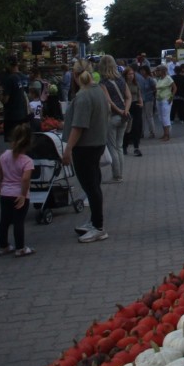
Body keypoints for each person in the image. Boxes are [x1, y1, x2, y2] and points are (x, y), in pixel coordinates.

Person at [61, 58, 110, 243]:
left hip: (85, 147)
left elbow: (79, 126)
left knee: (91, 187)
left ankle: (98, 227)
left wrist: (68, 149)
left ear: (74, 75)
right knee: (94, 185)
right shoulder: (98, 91)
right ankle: (95, 222)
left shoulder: (84, 95)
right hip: (97, 144)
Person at [0, 122, 35, 257]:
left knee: (4, 220)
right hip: (19, 194)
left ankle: (3, 246)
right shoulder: (27, 161)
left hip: (5, 193)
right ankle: (20, 248)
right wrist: (23, 194)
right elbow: (25, 179)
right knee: (18, 221)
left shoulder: (5, 154)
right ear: (28, 143)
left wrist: (1, 181)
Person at [98, 55, 129, 184]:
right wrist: (125, 110)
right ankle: (120, 174)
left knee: (112, 147)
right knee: (119, 146)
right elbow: (128, 97)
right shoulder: (121, 79)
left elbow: (108, 101)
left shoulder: (103, 82)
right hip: (124, 117)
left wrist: (118, 110)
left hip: (112, 117)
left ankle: (117, 175)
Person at [1, 55, 30, 142]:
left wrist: (1, 98)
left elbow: (5, 99)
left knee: (13, 139)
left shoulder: (9, 79)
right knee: (21, 139)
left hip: (12, 115)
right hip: (22, 112)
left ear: (8, 64)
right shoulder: (21, 78)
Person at [121, 65, 143, 157]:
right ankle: (124, 146)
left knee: (136, 127)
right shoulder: (123, 84)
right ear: (125, 75)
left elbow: (139, 94)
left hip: (136, 105)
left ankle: (136, 147)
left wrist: (141, 103)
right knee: (127, 127)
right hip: (127, 106)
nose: (131, 76)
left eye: (132, 74)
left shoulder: (136, 84)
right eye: (129, 74)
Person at [137, 65, 157, 139]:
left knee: (149, 115)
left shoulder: (150, 79)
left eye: (143, 70)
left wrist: (152, 94)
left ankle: (152, 132)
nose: (142, 72)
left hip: (149, 98)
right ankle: (141, 132)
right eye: (141, 70)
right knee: (142, 116)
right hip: (141, 99)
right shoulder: (140, 79)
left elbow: (155, 89)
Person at [154, 66, 174, 141]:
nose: (156, 72)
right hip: (159, 99)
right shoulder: (159, 79)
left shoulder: (168, 78)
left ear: (162, 71)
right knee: (161, 117)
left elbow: (175, 88)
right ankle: (164, 133)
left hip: (166, 99)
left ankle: (167, 135)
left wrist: (171, 97)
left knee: (165, 117)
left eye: (158, 70)